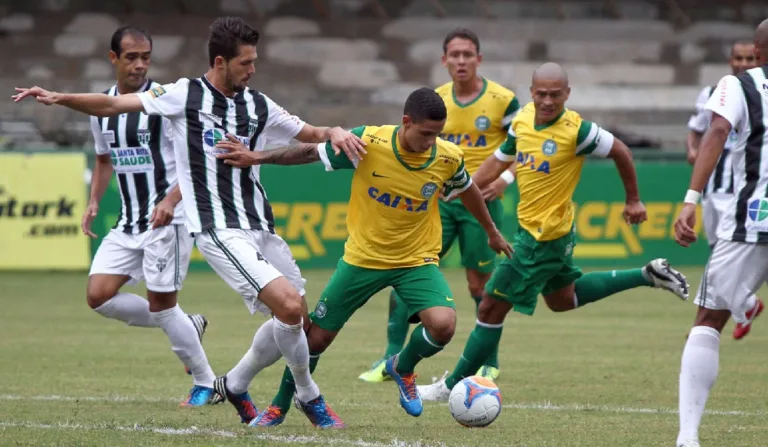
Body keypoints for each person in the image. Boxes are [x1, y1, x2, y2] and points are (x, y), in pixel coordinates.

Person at [13, 17, 365, 427]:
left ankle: (234, 383)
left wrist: (336, 131)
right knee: (287, 306)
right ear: (220, 61)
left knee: (296, 319)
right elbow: (112, 105)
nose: (253, 70)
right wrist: (58, 97)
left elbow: (309, 132)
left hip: (259, 223)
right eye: (245, 63)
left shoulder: (258, 103)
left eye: (255, 62)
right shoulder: (183, 95)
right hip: (217, 227)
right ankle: (308, 395)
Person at [216, 87, 512, 426]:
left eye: (437, 134)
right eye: (426, 133)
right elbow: (309, 152)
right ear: (406, 122)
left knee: (443, 326)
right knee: (316, 339)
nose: (431, 141)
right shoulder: (368, 143)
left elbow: (468, 189)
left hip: (415, 261)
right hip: (363, 260)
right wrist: (257, 156)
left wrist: (491, 230)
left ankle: (401, 367)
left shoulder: (447, 157)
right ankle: (279, 406)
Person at [417, 62, 690, 402]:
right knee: (563, 299)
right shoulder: (522, 121)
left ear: (567, 94)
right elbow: (499, 160)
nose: (548, 101)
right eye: (541, 94)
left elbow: (621, 150)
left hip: (542, 238)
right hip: (542, 235)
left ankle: (453, 385)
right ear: (532, 93)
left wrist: (633, 200)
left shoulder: (577, 131)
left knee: (489, 306)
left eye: (555, 95)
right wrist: (460, 186)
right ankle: (647, 274)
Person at [359, 28, 519, 384]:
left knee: (480, 284)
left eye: (468, 54)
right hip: (439, 203)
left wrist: (504, 180)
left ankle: (486, 361)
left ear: (479, 59)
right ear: (444, 60)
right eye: (455, 55)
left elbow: (523, 148)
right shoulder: (437, 101)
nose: (461, 61)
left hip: (481, 203)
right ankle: (390, 358)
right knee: (406, 271)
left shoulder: (503, 100)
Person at [82, 26, 215, 406]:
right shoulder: (102, 106)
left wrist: (172, 200)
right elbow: (104, 159)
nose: (140, 65)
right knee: (99, 296)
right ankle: (187, 326)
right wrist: (94, 200)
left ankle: (205, 382)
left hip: (167, 220)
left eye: (146, 57)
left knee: (162, 305)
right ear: (114, 59)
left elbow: (195, 160)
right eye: (131, 57)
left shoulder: (164, 100)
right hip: (129, 221)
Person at [673, 18, 768, 447]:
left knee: (709, 318)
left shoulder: (737, 85)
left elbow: (716, 131)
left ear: (758, 51)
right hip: (747, 221)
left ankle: (688, 435)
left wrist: (690, 198)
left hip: (751, 221)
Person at [686, 39, 761, 340]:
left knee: (729, 256)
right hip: (715, 192)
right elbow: (698, 130)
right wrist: (693, 150)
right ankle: (747, 304)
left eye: (748, 58)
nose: (743, 64)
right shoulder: (714, 93)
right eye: (738, 58)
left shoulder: (760, 94)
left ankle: (713, 324)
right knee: (719, 254)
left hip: (747, 191)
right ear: (730, 61)